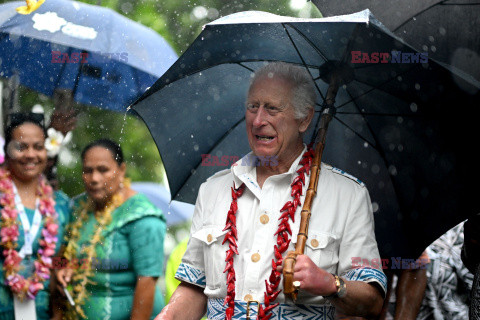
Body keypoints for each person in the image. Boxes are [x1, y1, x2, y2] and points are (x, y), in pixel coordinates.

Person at [155, 62, 386, 320]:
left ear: (305, 119)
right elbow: (195, 289)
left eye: (272, 108)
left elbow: (372, 302)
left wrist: (330, 284)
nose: (258, 120)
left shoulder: (348, 195)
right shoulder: (213, 189)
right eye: (253, 107)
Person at [54, 139, 166, 320]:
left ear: (121, 170)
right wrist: (62, 270)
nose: (94, 179)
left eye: (103, 170)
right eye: (88, 171)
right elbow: (60, 259)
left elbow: (146, 282)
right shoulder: (77, 208)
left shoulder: (143, 217)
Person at [0, 112, 70, 319]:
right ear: (7, 150)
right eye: (21, 147)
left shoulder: (61, 204)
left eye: (38, 147)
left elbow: (61, 258)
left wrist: (63, 270)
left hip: (43, 313)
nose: (31, 154)